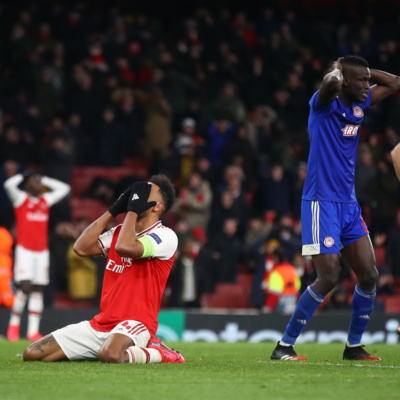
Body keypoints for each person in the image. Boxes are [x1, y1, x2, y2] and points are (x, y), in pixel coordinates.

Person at [271, 56, 400, 361]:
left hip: (348, 205)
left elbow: (395, 83)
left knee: (369, 274)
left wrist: (362, 71)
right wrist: (337, 72)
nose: (368, 85)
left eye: (368, 80)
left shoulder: (359, 104)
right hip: (321, 203)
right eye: (362, 81)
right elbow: (328, 86)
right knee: (328, 276)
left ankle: (353, 347)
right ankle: (284, 346)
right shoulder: (322, 105)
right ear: (345, 81)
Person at [23, 175, 185, 364]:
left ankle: (158, 353)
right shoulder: (118, 232)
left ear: (158, 207)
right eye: (136, 192)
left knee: (111, 355)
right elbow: (81, 248)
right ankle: (102, 347)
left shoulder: (165, 236)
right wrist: (113, 210)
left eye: (144, 194)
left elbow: (125, 247)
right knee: (33, 353)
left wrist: (132, 210)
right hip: (102, 323)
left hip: (136, 323)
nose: (137, 196)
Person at [5, 171, 71, 342]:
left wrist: (45, 179)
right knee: (25, 287)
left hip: (41, 251)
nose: (38, 183)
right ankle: (14, 325)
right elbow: (8, 185)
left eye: (39, 181)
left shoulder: (45, 200)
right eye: (35, 181)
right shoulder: (21, 199)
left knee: (38, 288)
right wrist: (23, 176)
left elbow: (65, 188)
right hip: (24, 250)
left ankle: (32, 331)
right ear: (27, 184)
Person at [262, 248, 301, 314]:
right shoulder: (292, 269)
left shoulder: (276, 272)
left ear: (276, 258)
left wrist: (267, 308)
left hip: (280, 306)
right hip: (293, 305)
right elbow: (297, 288)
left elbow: (274, 294)